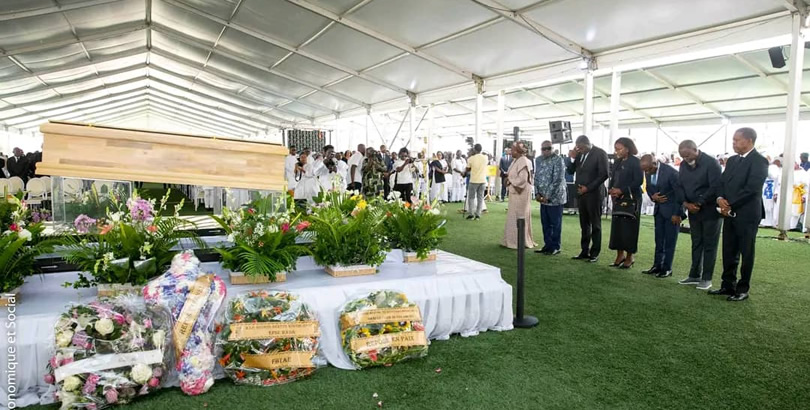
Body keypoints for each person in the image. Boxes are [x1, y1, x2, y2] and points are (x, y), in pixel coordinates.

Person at [710, 128, 768, 302]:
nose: (734, 143)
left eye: (737, 140)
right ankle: (727, 285)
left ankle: (743, 289)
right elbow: (721, 182)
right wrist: (720, 199)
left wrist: (729, 204)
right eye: (733, 140)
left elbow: (752, 189)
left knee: (746, 252)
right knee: (729, 250)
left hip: (747, 214)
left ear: (749, 140)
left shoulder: (759, 161)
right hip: (728, 212)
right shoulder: (733, 160)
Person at [674, 140, 722, 290]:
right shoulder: (683, 165)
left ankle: (706, 278)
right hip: (692, 209)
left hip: (710, 209)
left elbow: (715, 186)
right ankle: (694, 275)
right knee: (696, 242)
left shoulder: (711, 163)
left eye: (688, 155)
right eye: (683, 156)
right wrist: (685, 203)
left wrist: (699, 202)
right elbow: (680, 185)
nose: (686, 159)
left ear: (696, 150)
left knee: (709, 244)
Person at [640, 154, 685, 278]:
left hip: (672, 212)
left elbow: (680, 194)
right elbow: (648, 187)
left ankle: (667, 268)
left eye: (648, 170)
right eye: (644, 170)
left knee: (670, 241)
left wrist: (677, 213)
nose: (646, 173)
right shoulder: (648, 170)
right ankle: (657, 265)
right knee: (659, 240)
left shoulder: (671, 173)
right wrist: (653, 196)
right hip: (659, 210)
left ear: (655, 164)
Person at [567, 135, 609, 263]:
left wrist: (588, 188)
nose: (579, 150)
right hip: (581, 194)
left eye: (581, 148)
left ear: (587, 144)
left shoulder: (600, 153)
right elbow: (570, 171)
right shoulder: (579, 154)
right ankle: (584, 251)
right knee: (584, 224)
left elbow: (604, 174)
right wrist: (572, 158)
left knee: (595, 224)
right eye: (577, 148)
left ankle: (594, 253)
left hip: (594, 194)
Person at [607, 138, 643, 269]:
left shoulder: (636, 162)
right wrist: (611, 190)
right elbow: (613, 178)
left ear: (627, 149)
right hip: (617, 198)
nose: (616, 151)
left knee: (630, 228)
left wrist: (622, 190)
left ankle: (629, 257)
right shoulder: (617, 161)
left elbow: (638, 181)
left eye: (619, 149)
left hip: (631, 199)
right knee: (617, 227)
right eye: (615, 149)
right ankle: (619, 255)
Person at [534, 140, 567, 255]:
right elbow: (536, 177)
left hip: (555, 198)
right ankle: (547, 245)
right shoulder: (538, 160)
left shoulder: (558, 160)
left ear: (553, 148)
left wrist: (547, 195)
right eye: (544, 149)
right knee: (545, 223)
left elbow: (557, 179)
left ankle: (555, 246)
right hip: (542, 198)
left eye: (549, 148)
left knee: (555, 223)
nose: (546, 151)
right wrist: (537, 193)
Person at [502, 142, 537, 249]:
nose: (510, 151)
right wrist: (508, 179)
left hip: (521, 193)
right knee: (513, 217)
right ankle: (512, 239)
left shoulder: (524, 161)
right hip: (515, 193)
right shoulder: (516, 160)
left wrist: (509, 180)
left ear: (517, 151)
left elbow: (522, 180)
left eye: (512, 149)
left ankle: (519, 241)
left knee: (520, 216)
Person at [464, 143, 488, 221]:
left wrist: (464, 173)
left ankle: (471, 214)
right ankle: (478, 214)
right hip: (483, 180)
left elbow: (467, 169)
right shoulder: (485, 157)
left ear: (474, 149)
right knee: (480, 198)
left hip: (474, 180)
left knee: (471, 198)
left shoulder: (471, 158)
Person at [762, 156, 782, 227]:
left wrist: (776, 193)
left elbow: (777, 182)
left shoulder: (779, 170)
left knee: (771, 206)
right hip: (767, 188)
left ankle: (770, 222)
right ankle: (764, 221)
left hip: (772, 189)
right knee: (766, 205)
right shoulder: (770, 168)